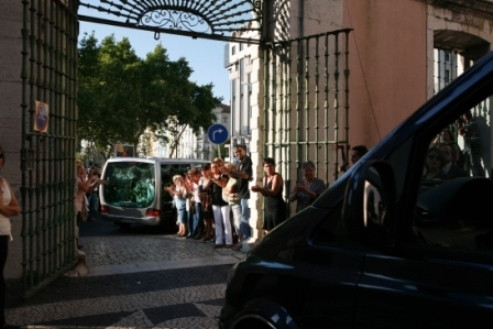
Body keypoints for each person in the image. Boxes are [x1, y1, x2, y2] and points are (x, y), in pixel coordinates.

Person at [0, 147, 21, 329]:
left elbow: (16, 208)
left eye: (0, 156)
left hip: (4, 234)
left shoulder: (4, 182)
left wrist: (1, 208)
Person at [222, 145, 253, 247]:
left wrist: (231, 171)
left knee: (244, 218)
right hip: (241, 194)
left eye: (239, 151)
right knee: (241, 218)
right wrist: (228, 173)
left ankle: (246, 241)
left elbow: (246, 175)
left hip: (246, 194)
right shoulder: (239, 162)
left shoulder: (247, 160)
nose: (237, 153)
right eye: (235, 152)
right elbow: (236, 175)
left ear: (244, 151)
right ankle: (243, 240)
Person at [251, 157, 286, 234]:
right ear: (263, 168)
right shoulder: (265, 178)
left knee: (277, 231)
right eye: (266, 166)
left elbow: (274, 192)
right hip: (268, 207)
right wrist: (259, 190)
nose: (269, 168)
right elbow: (265, 194)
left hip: (277, 208)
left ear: (274, 166)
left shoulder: (276, 176)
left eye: (270, 166)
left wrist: (260, 189)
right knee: (267, 230)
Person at [210, 159, 233, 248]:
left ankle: (229, 241)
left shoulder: (224, 175)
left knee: (226, 221)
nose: (214, 168)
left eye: (215, 166)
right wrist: (210, 178)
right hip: (215, 201)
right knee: (218, 222)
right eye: (212, 167)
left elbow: (223, 184)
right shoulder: (211, 177)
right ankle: (219, 241)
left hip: (224, 201)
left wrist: (214, 179)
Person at [198, 163, 214, 242]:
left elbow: (205, 187)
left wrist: (209, 178)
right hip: (203, 200)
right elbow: (200, 189)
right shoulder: (201, 179)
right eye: (202, 171)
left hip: (209, 200)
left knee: (210, 218)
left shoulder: (211, 179)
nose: (203, 173)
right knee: (206, 218)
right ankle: (207, 233)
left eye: (204, 171)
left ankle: (210, 233)